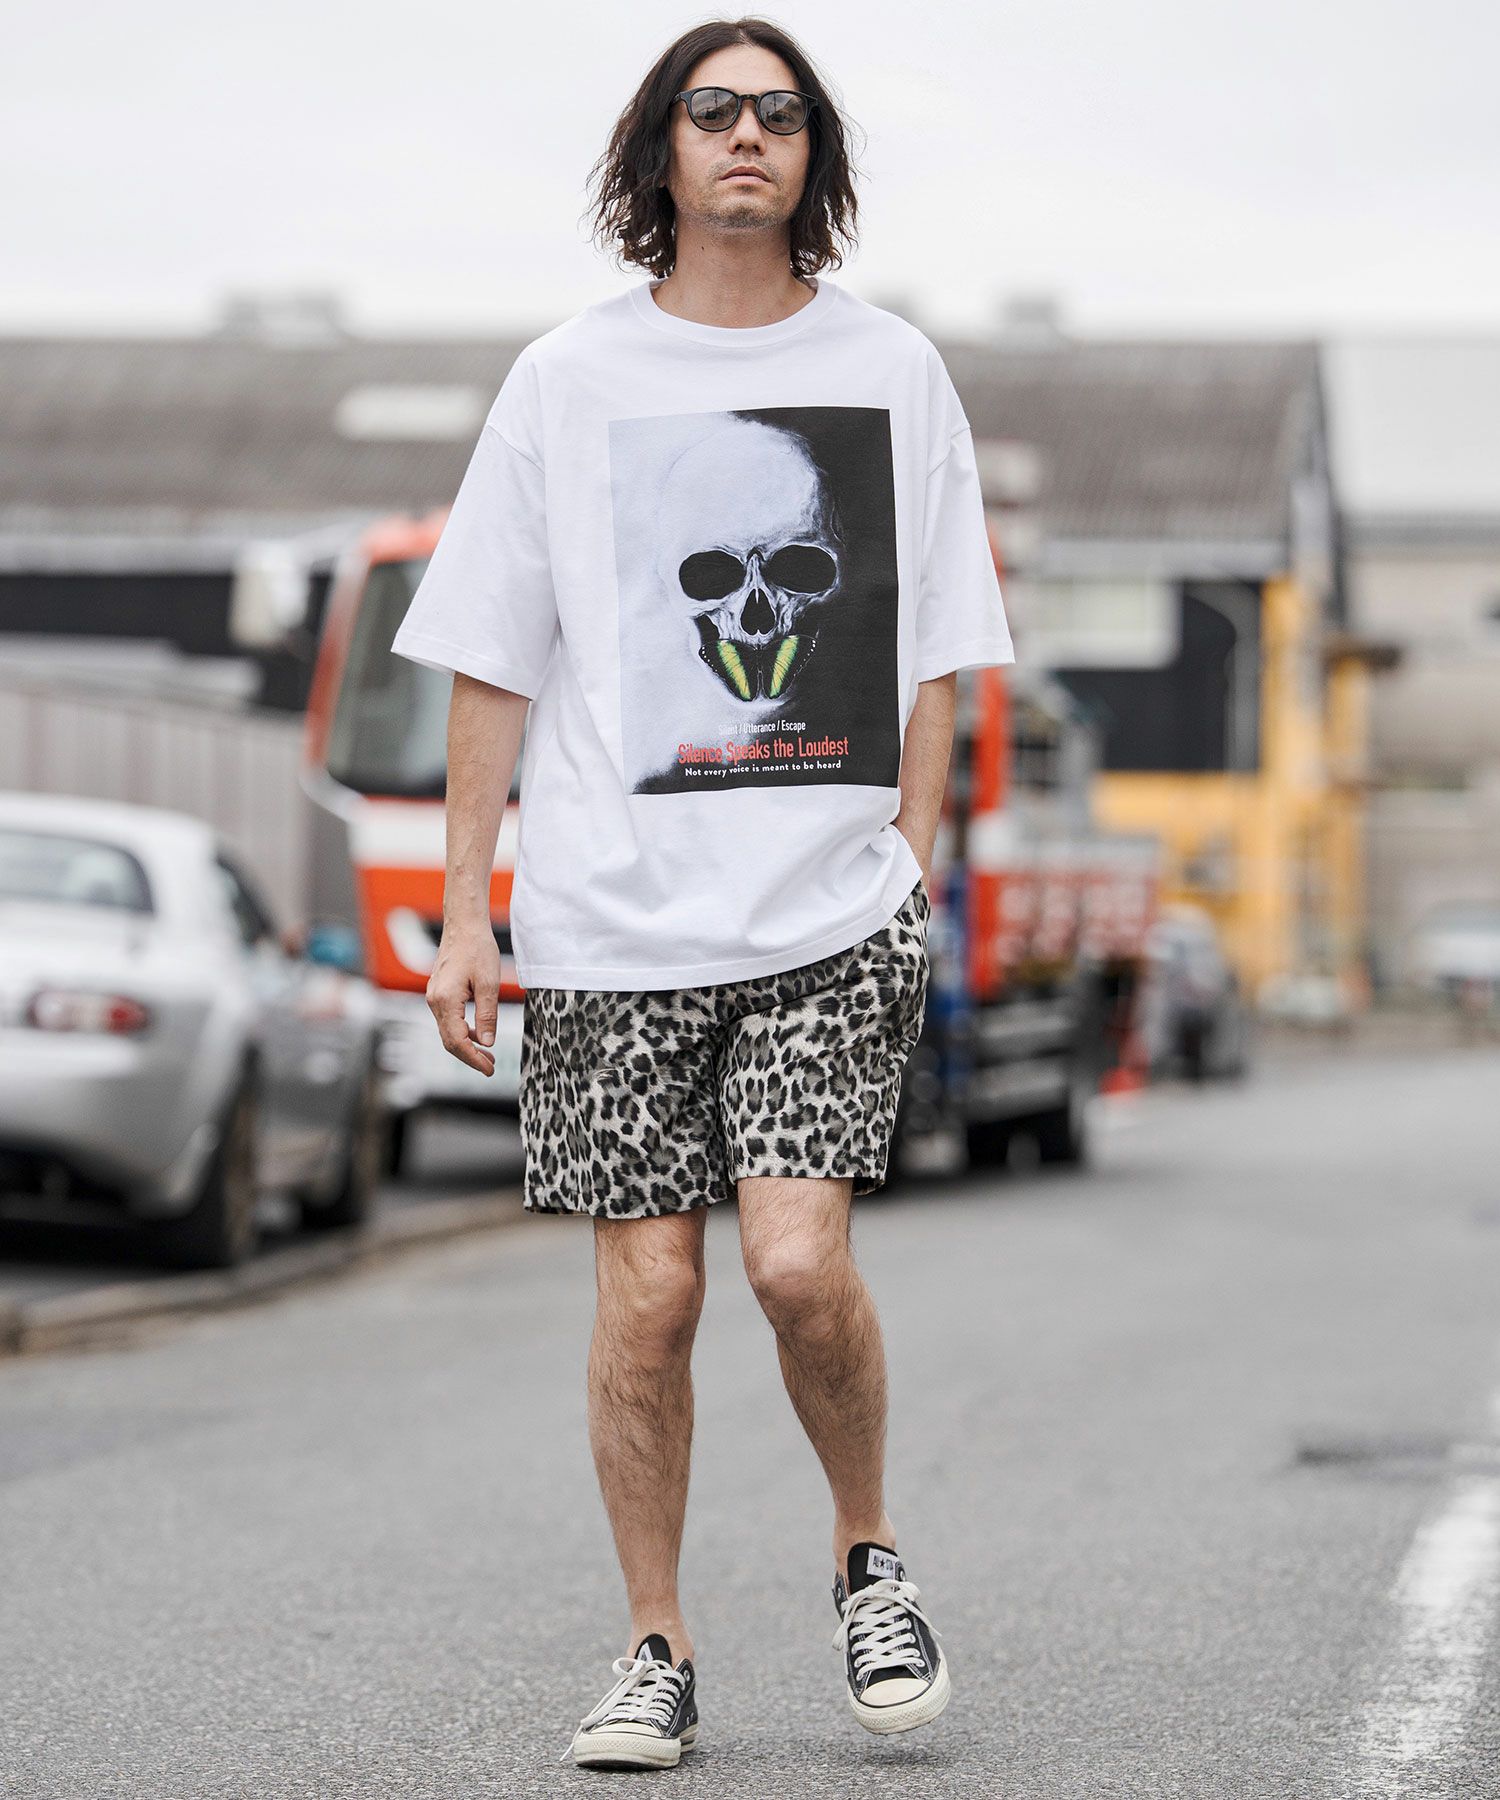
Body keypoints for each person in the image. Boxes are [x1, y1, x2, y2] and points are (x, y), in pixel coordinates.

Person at [391, 16, 1014, 1771]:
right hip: (608, 924)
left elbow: (941, 650)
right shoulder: (565, 380)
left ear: (815, 157)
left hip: (824, 916)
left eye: (782, 113)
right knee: (650, 1298)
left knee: (798, 1268)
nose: (748, 134)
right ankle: (655, 1645)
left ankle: (867, 1556)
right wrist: (466, 909)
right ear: (658, 147)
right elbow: (493, 656)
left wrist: (910, 859)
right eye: (713, 108)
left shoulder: (893, 371)